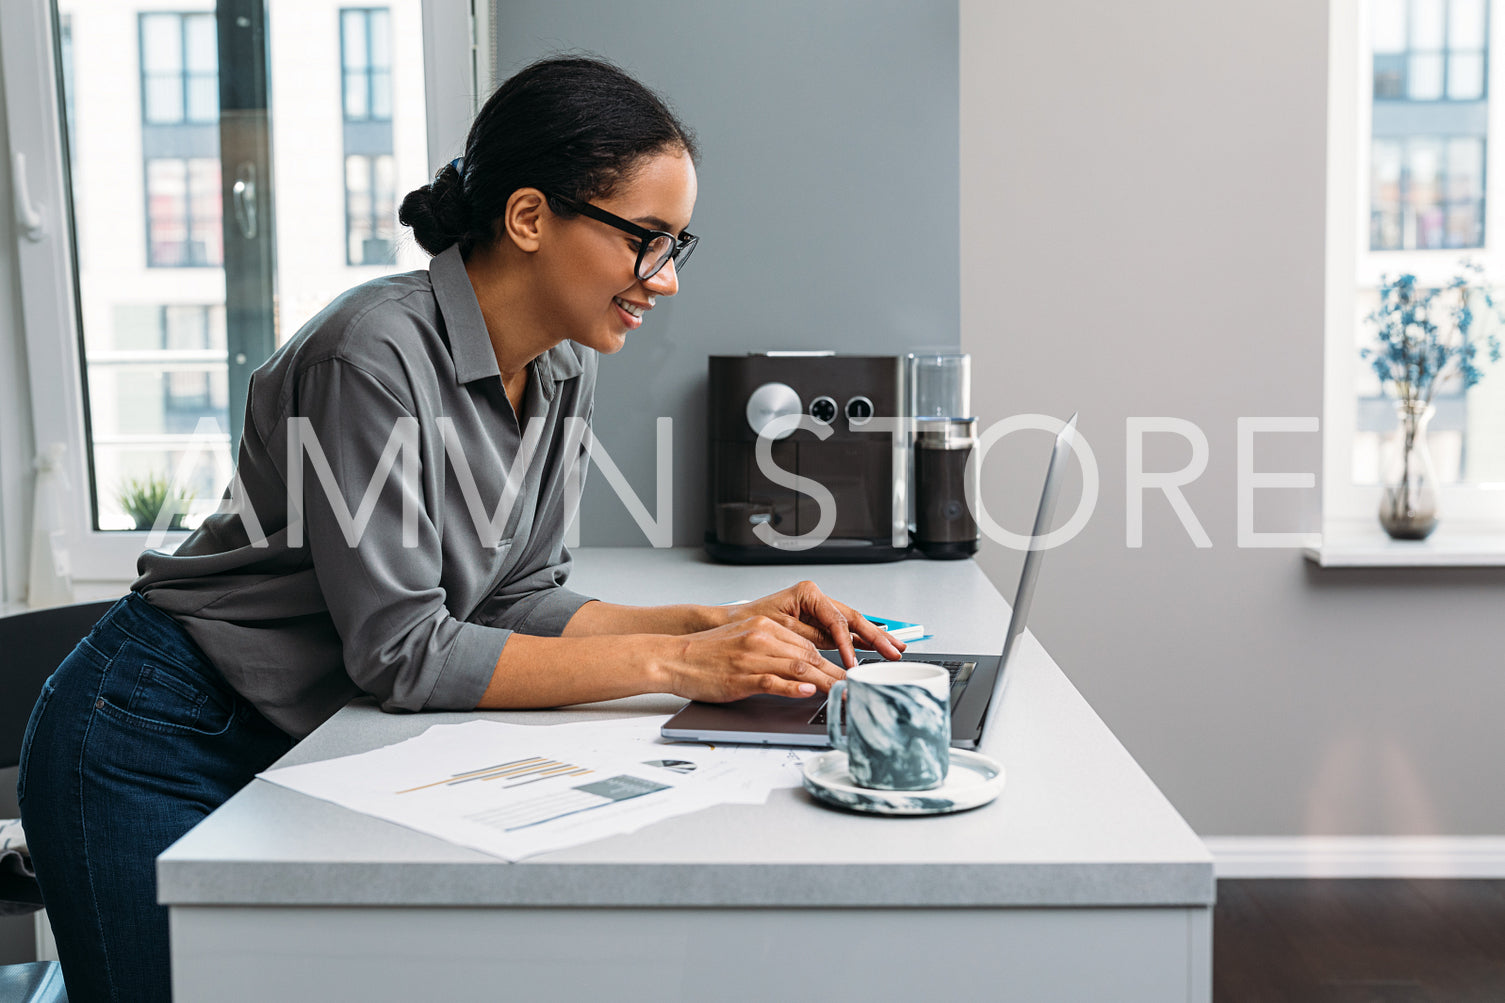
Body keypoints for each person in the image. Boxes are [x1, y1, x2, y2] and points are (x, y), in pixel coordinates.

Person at [17, 55, 903, 1002]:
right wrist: (680, 666)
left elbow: (519, 595)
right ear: (529, 218)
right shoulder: (372, 353)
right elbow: (402, 651)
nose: (665, 280)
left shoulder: (563, 365)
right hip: (153, 731)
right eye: (647, 239)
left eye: (678, 246)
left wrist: (716, 625)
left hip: (302, 729)